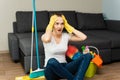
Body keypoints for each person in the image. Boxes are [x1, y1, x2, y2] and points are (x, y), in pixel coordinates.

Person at [41, 13, 92, 80]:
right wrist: (50, 25)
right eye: (57, 23)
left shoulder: (66, 36)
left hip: (65, 68)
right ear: (52, 24)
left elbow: (83, 37)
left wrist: (69, 27)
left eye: (62, 24)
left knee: (88, 55)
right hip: (51, 71)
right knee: (52, 61)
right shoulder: (45, 36)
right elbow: (47, 39)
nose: (60, 26)